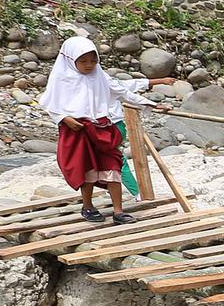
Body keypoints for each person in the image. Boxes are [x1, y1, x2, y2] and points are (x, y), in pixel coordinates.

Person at [40, 36, 162, 224]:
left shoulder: (99, 75)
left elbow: (122, 92)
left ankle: (118, 211)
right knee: (87, 168)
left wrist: (150, 104)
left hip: (103, 127)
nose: (89, 65)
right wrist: (64, 118)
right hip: (77, 130)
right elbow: (50, 104)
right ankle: (87, 206)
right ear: (71, 60)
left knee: (113, 166)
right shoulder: (62, 78)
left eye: (93, 60)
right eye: (83, 61)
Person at [107, 74, 175, 199]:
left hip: (111, 125)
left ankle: (137, 193)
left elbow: (125, 89)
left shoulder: (102, 78)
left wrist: (152, 102)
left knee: (115, 159)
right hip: (96, 124)